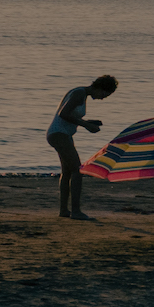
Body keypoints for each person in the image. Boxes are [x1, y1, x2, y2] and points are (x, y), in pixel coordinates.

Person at [48, 74, 117, 220]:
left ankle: (64, 210)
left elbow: (71, 116)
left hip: (61, 134)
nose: (103, 98)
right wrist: (86, 125)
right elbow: (63, 114)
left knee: (67, 172)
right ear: (99, 88)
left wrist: (89, 122)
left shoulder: (80, 93)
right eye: (105, 94)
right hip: (59, 134)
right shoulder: (79, 93)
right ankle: (76, 211)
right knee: (77, 171)